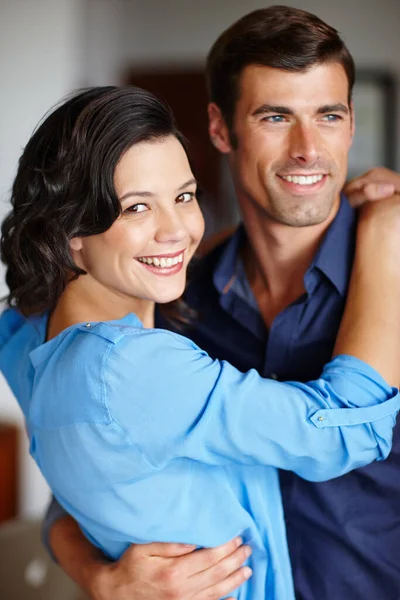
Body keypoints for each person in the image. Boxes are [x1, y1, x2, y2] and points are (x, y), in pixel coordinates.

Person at [8, 7, 400, 600]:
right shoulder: (164, 308)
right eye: (275, 116)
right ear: (220, 130)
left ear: (350, 126)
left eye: (329, 115)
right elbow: (87, 488)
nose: (307, 149)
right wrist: (102, 578)